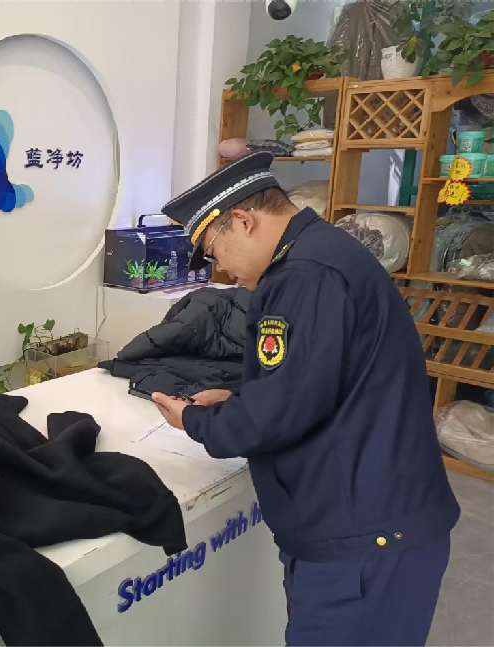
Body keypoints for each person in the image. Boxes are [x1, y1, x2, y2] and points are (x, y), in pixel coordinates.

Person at [152, 152, 460, 647]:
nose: (222, 271)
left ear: (243, 221)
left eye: (214, 252)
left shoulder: (304, 275)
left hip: (362, 540)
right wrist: (239, 397)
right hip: (372, 521)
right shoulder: (323, 252)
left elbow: (277, 415)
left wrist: (195, 421)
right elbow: (320, 376)